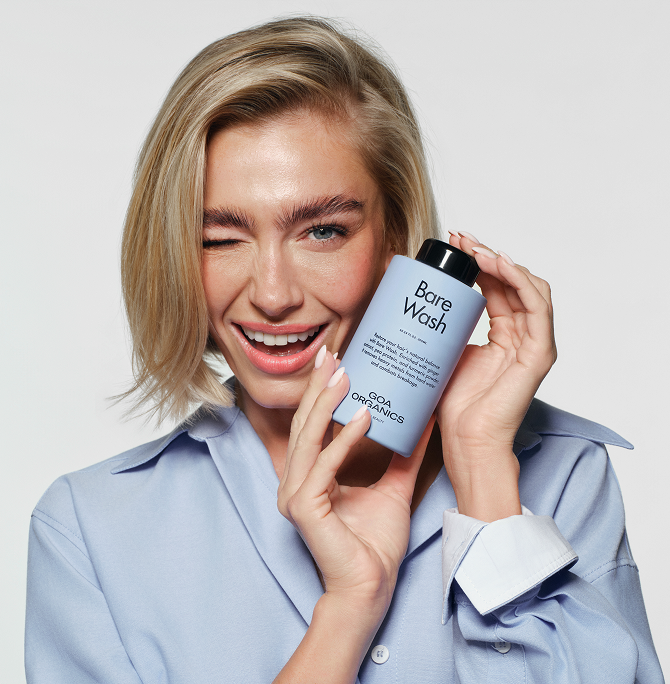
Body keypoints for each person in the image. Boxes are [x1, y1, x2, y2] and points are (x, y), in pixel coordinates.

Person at [25, 16, 663, 684]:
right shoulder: (91, 533)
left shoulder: (561, 476)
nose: (272, 295)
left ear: (396, 240)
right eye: (220, 239)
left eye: (323, 231)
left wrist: (483, 477)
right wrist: (350, 607)